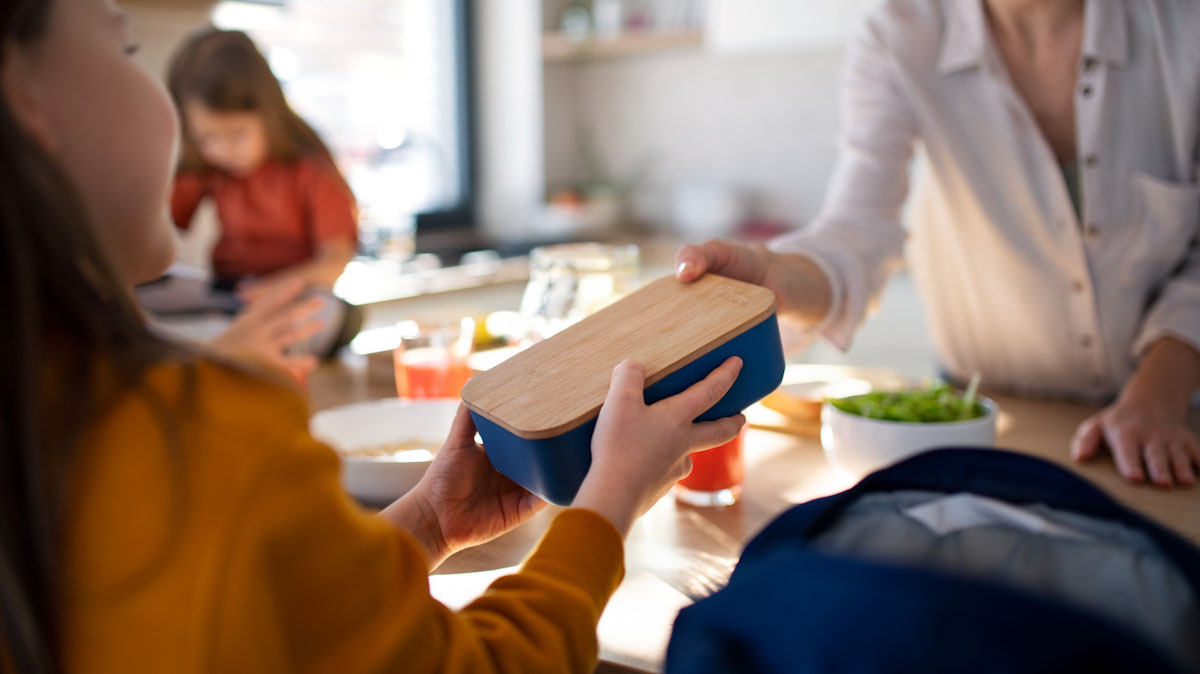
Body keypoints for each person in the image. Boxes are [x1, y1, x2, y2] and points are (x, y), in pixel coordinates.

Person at [0, 1, 747, 672]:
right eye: (125, 48)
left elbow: (282, 620)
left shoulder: (56, 421)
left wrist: (425, 521)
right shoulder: (206, 437)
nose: (194, 137)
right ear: (28, 104)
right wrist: (610, 501)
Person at [676, 0, 1200, 487]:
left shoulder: (1181, 26)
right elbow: (858, 229)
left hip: (1171, 419)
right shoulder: (901, 32)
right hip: (981, 416)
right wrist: (782, 278)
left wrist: (1159, 397)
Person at [166, 27, 360, 356]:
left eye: (236, 133)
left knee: (332, 315)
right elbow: (160, 228)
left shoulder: (309, 168)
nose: (220, 149)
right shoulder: (209, 167)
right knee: (143, 291)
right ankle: (231, 337)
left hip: (291, 297)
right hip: (229, 294)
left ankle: (228, 341)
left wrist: (277, 288)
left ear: (268, 112)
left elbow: (334, 260)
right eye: (204, 138)